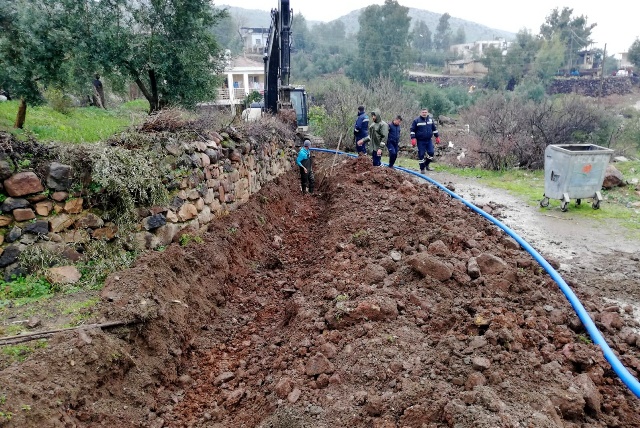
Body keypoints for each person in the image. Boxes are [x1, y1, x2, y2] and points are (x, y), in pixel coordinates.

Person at [410, 107, 440, 173]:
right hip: (420, 140)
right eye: (423, 112)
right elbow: (412, 130)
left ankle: (426, 164)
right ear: (421, 113)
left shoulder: (430, 120)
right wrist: (413, 138)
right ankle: (422, 169)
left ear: (427, 113)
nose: (424, 114)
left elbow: (434, 129)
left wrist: (437, 137)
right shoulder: (416, 120)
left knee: (431, 153)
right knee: (421, 154)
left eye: (425, 112)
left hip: (429, 140)